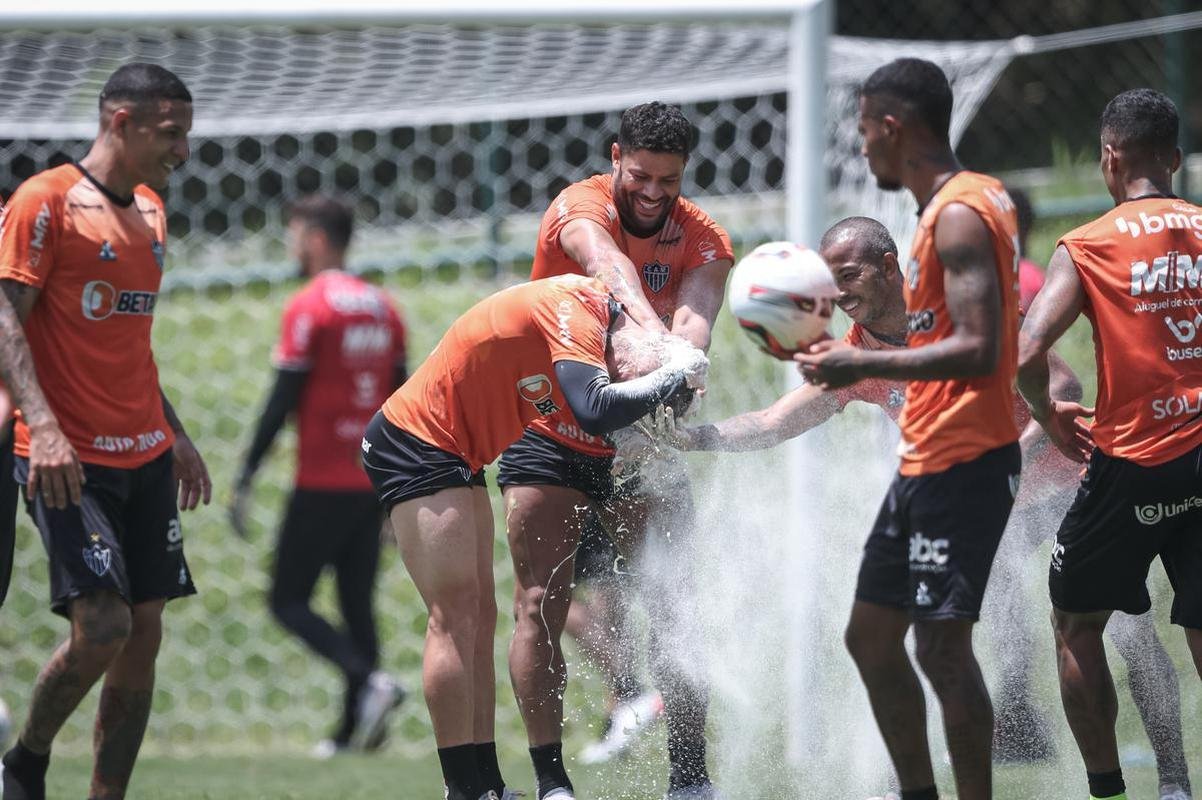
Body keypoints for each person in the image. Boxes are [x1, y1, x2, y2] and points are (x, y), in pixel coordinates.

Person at [667, 214, 1194, 798]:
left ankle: (1173, 781)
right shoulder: (859, 355)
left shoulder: (966, 312)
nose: (840, 295)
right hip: (988, 511)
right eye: (830, 283)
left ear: (890, 267)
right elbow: (774, 420)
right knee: (928, 640)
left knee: (1130, 634)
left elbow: (1064, 389)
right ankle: (908, 783)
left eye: (850, 276)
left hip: (1069, 487)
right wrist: (696, 439)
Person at [361, 273, 707, 800]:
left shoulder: (596, 335)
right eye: (630, 373)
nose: (623, 377)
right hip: (417, 443)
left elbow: (582, 409)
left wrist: (640, 423)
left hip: (457, 452)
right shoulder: (576, 308)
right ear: (629, 343)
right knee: (455, 617)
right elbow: (593, 407)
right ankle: (464, 789)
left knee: (478, 617)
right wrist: (676, 371)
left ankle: (486, 787)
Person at [794, 58, 1020, 800]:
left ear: (894, 127)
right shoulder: (938, 215)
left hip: (966, 459)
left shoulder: (958, 213)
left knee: (943, 651)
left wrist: (855, 365)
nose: (863, 150)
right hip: (923, 464)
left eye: (865, 132)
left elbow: (984, 348)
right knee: (870, 637)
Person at [497, 100, 733, 800]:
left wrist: (680, 362)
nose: (654, 191)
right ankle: (551, 783)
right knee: (540, 601)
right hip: (549, 424)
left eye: (669, 178)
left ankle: (690, 779)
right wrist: (653, 343)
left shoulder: (707, 239)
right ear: (614, 158)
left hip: (637, 435)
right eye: (640, 175)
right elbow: (607, 267)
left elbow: (696, 320)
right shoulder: (579, 208)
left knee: (675, 599)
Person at [0, 63, 211, 800]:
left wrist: (175, 431)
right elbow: (6, 321)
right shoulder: (44, 202)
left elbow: (131, 345)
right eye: (170, 133)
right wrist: (43, 427)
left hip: (145, 452)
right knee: (103, 624)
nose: (182, 151)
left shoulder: (151, 211)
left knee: (142, 635)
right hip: (66, 459)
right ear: (120, 122)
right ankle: (26, 758)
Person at [1017, 88, 1202, 800]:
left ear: (1108, 158)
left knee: (1076, 623)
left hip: (1133, 463)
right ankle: (1181, 787)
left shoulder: (1091, 244)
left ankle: (1108, 790)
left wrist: (1050, 411)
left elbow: (1029, 353)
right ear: (1176, 160)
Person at [229, 194, 407, 757]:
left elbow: (283, 398)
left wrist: (246, 475)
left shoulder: (311, 306)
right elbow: (401, 402)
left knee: (287, 600)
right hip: (372, 480)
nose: (291, 245)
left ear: (314, 237)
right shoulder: (385, 308)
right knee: (357, 602)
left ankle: (371, 683)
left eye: (294, 233)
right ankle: (352, 733)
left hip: (322, 481)